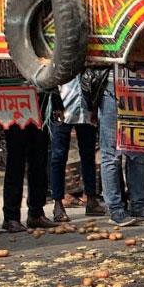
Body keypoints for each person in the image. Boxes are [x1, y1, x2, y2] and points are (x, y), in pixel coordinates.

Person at [98, 67, 144, 226]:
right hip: (112, 87)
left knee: (139, 153)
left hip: (140, 86)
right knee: (112, 155)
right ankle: (116, 209)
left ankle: (139, 205)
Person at [50, 74, 102, 220]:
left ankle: (91, 198)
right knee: (59, 157)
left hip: (85, 108)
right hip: (63, 108)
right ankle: (58, 203)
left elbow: (92, 79)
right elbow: (52, 78)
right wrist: (55, 104)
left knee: (88, 155)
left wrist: (94, 106)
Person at [0, 96, 54, 233]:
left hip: (39, 104)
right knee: (16, 162)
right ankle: (11, 217)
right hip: (14, 105)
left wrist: (56, 104)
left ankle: (36, 213)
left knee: (39, 161)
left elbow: (49, 78)